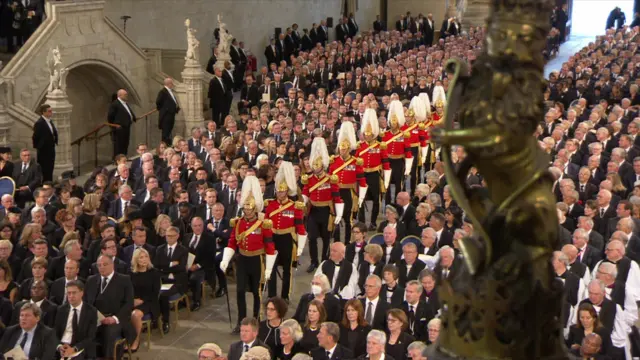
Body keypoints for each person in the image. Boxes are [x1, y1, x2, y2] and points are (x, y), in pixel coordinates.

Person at [220, 176, 277, 333]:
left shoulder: (263, 224)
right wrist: (225, 260)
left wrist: (269, 268)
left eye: (249, 209)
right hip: (243, 259)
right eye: (245, 209)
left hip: (257, 260)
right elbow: (232, 242)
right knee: (239, 292)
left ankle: (256, 320)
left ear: (255, 209)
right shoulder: (238, 223)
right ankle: (241, 321)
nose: (247, 211)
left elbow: (270, 246)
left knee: (257, 293)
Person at [265, 162, 307, 301]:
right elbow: (265, 224)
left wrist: (300, 246)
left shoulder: (295, 207)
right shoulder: (270, 205)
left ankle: (285, 296)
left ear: (287, 191)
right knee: (271, 267)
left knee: (287, 270)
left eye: (283, 190)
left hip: (287, 239)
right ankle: (271, 295)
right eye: (278, 190)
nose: (280, 193)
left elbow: (300, 228)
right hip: (273, 239)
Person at [302, 137, 344, 273]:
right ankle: (314, 261)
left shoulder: (330, 179)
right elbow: (305, 194)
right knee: (312, 237)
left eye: (318, 165)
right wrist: (301, 205)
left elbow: (337, 197)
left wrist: (339, 214)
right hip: (313, 211)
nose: (315, 167)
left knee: (326, 237)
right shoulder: (308, 179)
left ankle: (325, 259)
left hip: (326, 211)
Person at [83, 254, 134, 359]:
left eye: (105, 264)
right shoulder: (91, 280)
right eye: (99, 265)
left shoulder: (124, 280)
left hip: (116, 319)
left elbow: (129, 303)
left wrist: (114, 319)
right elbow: (86, 302)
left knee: (109, 333)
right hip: (95, 319)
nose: (102, 267)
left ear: (112, 265)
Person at [154, 225, 188, 334]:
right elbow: (156, 266)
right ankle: (156, 318)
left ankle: (166, 321)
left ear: (177, 236)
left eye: (172, 236)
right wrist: (171, 264)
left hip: (177, 282)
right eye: (168, 236)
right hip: (163, 279)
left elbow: (181, 267)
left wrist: (165, 267)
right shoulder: (160, 249)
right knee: (153, 292)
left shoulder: (183, 250)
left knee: (163, 294)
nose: (170, 238)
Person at [53, 280, 97, 360]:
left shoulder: (91, 311)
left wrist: (74, 348)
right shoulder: (61, 310)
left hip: (79, 347)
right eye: (69, 293)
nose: (71, 296)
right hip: (62, 345)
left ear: (82, 293)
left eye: (74, 293)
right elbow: (55, 332)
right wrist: (59, 346)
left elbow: (91, 337)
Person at [129, 247, 160, 352]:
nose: (144, 259)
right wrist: (132, 300)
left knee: (135, 314)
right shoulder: (131, 274)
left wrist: (141, 301)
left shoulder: (154, 272)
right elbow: (127, 290)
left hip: (149, 302)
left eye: (146, 256)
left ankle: (135, 340)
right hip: (133, 301)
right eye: (141, 257)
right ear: (136, 260)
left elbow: (155, 292)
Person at [183, 216, 216, 311]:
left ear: (203, 226)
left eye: (199, 225)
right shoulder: (186, 237)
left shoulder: (209, 239)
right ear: (191, 226)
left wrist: (197, 266)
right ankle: (183, 300)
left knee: (194, 278)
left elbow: (210, 257)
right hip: (187, 265)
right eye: (195, 225)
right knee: (179, 275)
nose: (197, 228)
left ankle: (196, 301)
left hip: (203, 267)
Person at [31, 104, 58, 183]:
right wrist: (40, 147)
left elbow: (52, 133)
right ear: (43, 112)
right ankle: (46, 185)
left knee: (50, 168)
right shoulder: (39, 123)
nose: (51, 112)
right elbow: (35, 137)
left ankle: (50, 184)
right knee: (45, 170)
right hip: (44, 151)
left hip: (51, 149)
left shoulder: (49, 121)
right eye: (49, 111)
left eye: (51, 111)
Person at [107, 89, 137, 157]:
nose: (127, 96)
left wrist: (133, 118)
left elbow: (128, 112)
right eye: (125, 95)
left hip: (126, 126)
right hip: (119, 128)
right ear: (119, 95)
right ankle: (118, 159)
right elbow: (110, 116)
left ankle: (124, 157)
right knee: (119, 144)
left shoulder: (124, 103)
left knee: (125, 143)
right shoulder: (115, 104)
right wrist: (114, 125)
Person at [156, 78, 181, 145]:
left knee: (169, 131)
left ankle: (168, 144)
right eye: (171, 83)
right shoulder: (162, 92)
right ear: (168, 84)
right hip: (166, 115)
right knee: (166, 132)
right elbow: (158, 102)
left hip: (171, 114)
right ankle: (165, 145)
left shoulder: (169, 91)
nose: (172, 84)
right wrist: (165, 109)